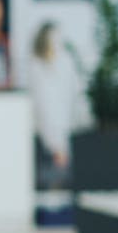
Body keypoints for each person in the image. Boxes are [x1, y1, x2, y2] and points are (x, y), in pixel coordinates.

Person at [28, 21, 80, 190]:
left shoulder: (65, 63)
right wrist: (54, 143)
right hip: (45, 135)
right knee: (49, 179)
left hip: (63, 130)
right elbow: (43, 107)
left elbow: (71, 97)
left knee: (63, 178)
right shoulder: (36, 67)